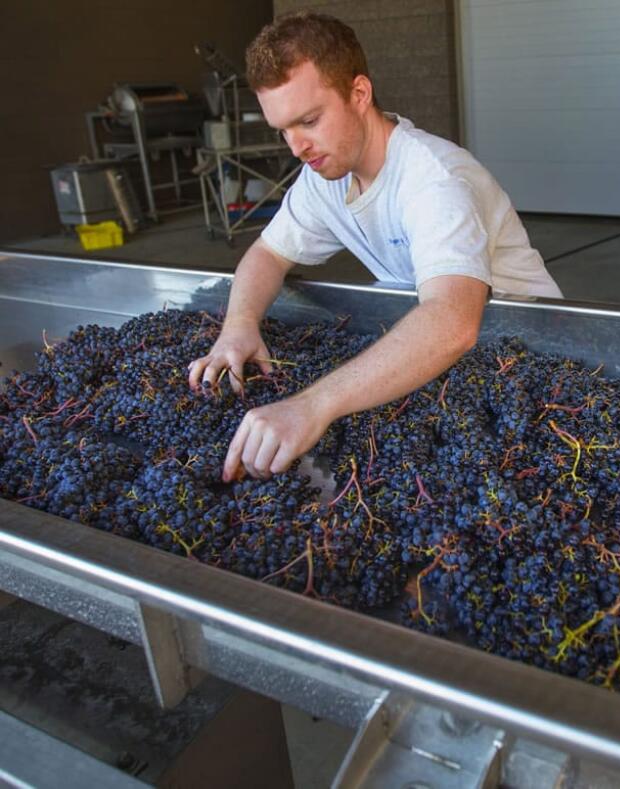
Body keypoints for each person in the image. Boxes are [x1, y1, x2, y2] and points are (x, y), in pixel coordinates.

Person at [187, 12, 562, 483]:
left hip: (527, 362)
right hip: (431, 356)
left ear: (359, 93)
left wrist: (313, 405)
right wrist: (239, 325)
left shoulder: (434, 180)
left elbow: (453, 322)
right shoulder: (325, 175)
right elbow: (268, 253)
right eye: (282, 129)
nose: (296, 146)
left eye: (309, 120)